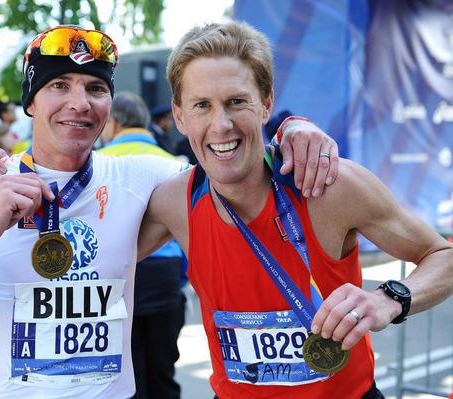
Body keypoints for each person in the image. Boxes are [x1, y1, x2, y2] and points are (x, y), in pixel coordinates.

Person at [0, 24, 337, 399]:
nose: (79, 103)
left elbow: (230, 154)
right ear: (31, 101)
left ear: (109, 103)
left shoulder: (142, 177)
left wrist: (293, 128)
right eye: (59, 86)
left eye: (94, 87)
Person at [129, 21, 453, 398]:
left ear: (266, 103)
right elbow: (93, 264)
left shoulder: (327, 186)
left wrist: (389, 298)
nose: (221, 125)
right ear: (179, 116)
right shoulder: (175, 203)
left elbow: (442, 255)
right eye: (202, 105)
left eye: (237, 101)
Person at [99, 91, 186, 399]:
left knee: (126, 372)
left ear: (114, 122)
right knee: (163, 370)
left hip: (118, 277)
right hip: (167, 275)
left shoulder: (100, 164)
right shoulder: (172, 162)